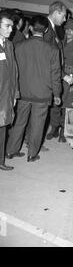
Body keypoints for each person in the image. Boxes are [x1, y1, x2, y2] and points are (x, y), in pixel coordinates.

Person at [6, 15, 61, 162]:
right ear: (46, 29)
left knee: (19, 123)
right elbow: (55, 75)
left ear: (30, 28)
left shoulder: (18, 46)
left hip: (22, 93)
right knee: (38, 125)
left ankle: (11, 151)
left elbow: (13, 71)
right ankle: (32, 154)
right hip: (42, 95)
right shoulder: (52, 50)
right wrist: (57, 93)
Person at [44, 1, 68, 141]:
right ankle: (32, 143)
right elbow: (48, 59)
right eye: (63, 16)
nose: (64, 20)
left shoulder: (52, 29)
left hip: (50, 76)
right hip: (47, 78)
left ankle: (31, 142)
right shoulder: (47, 30)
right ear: (56, 13)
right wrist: (63, 76)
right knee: (40, 113)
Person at [0, 11, 19, 170]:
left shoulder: (9, 45)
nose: (11, 29)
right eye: (7, 26)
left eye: (12, 26)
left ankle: (0, 161)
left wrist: (15, 94)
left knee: (2, 128)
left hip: (6, 95)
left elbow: (14, 71)